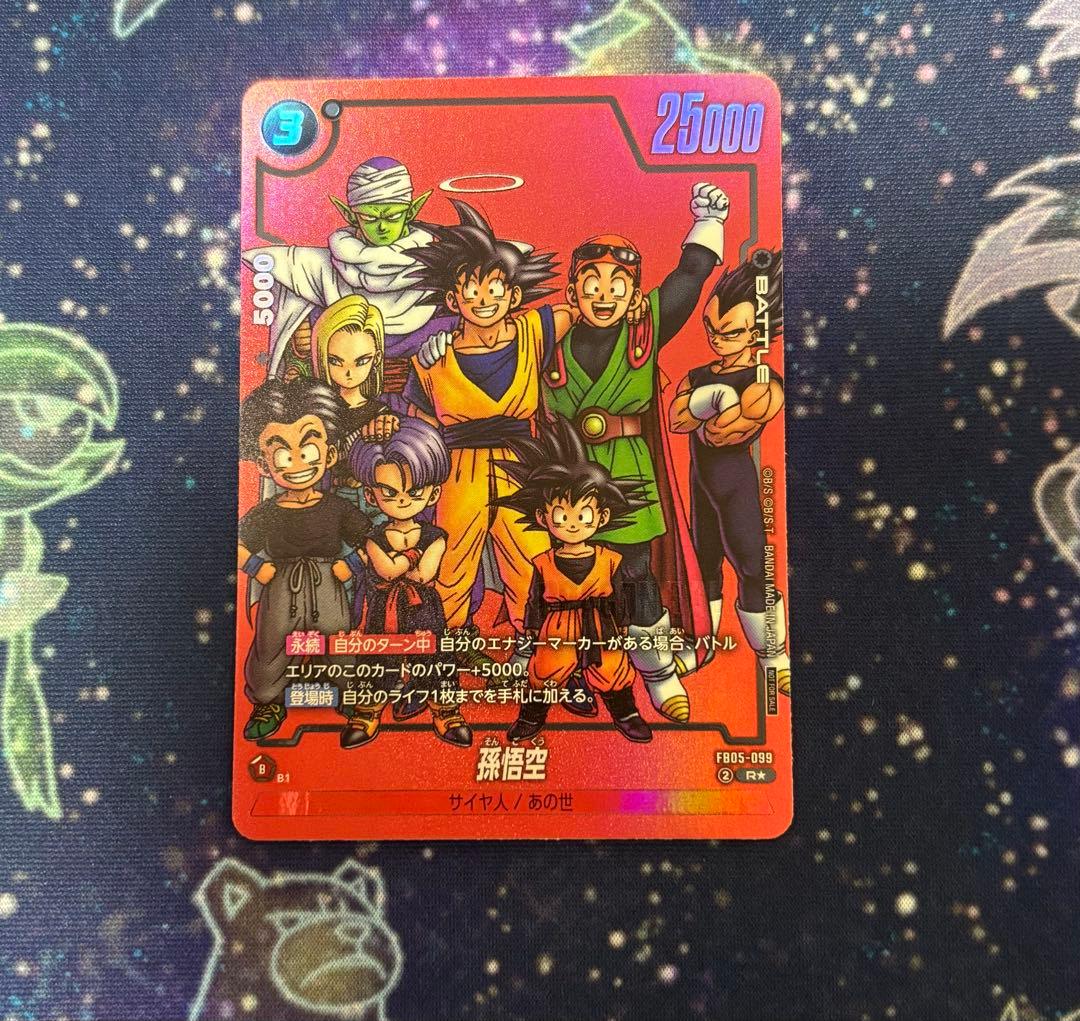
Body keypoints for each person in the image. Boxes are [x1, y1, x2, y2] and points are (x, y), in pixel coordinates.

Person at [540, 183, 728, 722]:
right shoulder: (545, 338)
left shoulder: (645, 329)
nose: (604, 294)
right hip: (568, 478)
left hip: (628, 471)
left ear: (633, 295)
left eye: (617, 285)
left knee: (637, 575)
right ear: (573, 291)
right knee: (572, 579)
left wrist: (709, 218)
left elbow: (689, 276)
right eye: (592, 283)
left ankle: (658, 672)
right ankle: (582, 673)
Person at [404, 200, 577, 672]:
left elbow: (582, 309)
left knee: (531, 554)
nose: (484, 299)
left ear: (513, 295)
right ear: (453, 300)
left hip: (522, 463)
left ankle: (536, 642)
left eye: (495, 288)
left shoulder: (535, 331)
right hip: (459, 469)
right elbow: (418, 416)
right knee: (453, 558)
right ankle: (450, 644)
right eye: (471, 290)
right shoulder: (432, 355)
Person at [668, 250, 790, 695]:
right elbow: (675, 420)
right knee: (702, 568)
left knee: (754, 566)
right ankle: (701, 645)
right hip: (701, 487)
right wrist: (712, 399)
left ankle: (772, 653)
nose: (717, 339)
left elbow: (722, 433)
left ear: (757, 333)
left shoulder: (764, 381)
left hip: (736, 487)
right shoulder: (697, 374)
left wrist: (707, 407)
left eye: (731, 331)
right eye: (711, 329)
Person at [494, 417, 654, 743]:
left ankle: (627, 715)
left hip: (601, 623)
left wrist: (623, 622)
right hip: (557, 625)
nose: (572, 524)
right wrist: (532, 627)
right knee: (545, 670)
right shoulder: (544, 562)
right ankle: (530, 717)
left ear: (601, 517)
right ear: (543, 518)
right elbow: (535, 598)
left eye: (582, 515)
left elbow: (620, 595)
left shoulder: (610, 559)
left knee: (613, 669)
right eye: (561, 516)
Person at [237, 378, 370, 741]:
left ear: (329, 454)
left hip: (329, 584)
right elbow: (237, 543)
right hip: (281, 586)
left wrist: (351, 565)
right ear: (264, 464)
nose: (296, 462)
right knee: (271, 646)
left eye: (308, 450)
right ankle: (268, 702)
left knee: (338, 642)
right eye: (283, 454)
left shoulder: (336, 507)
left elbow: (371, 541)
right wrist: (257, 568)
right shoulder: (266, 512)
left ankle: (348, 693)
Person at [241, 156, 452, 380]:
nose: (382, 227)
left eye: (393, 216)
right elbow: (264, 262)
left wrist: (443, 343)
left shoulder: (436, 269)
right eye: (369, 217)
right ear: (350, 216)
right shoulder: (318, 267)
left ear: (411, 212)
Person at [341, 419, 472, 749]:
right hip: (382, 611)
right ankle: (367, 713)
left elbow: (425, 575)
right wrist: (411, 557)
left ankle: (446, 712)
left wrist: (403, 561)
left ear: (433, 493)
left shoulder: (435, 535)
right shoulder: (373, 536)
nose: (402, 500)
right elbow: (387, 573)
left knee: (436, 660)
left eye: (413, 492)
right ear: (371, 495)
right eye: (389, 492)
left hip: (424, 611)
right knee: (376, 662)